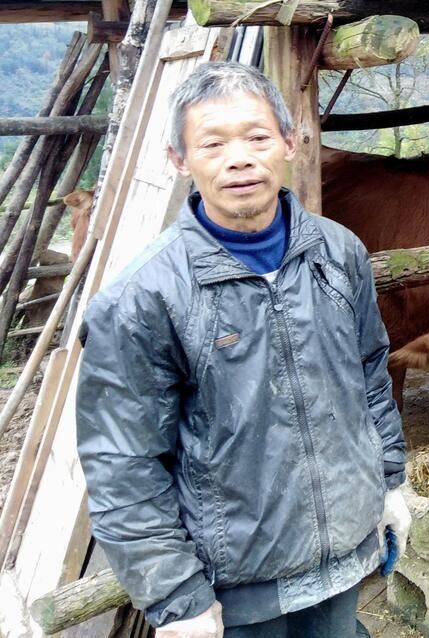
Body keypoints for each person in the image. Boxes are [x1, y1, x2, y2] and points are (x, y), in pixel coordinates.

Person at [76, 62, 411, 637]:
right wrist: (176, 594)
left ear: (289, 142)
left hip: (343, 561)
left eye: (257, 137)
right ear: (179, 159)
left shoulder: (340, 254)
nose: (239, 158)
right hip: (234, 589)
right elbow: (122, 461)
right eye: (212, 142)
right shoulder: (143, 297)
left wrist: (390, 481)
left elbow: (369, 376)